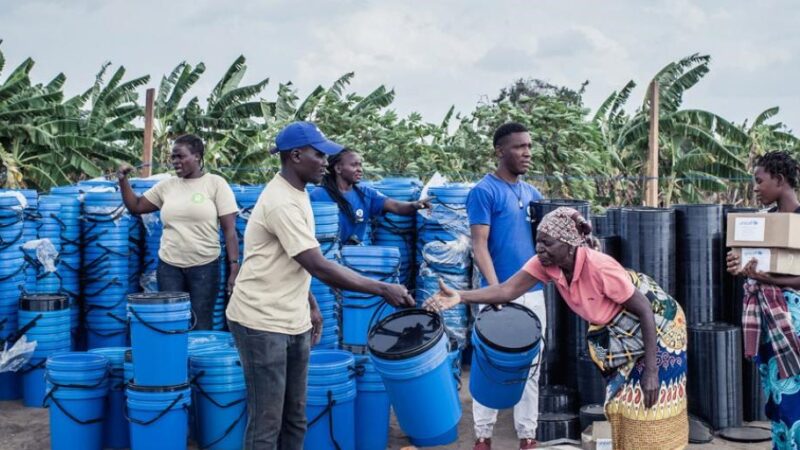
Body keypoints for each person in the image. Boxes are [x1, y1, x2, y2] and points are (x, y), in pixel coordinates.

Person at [426, 207, 689, 450]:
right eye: (538, 241)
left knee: (649, 404)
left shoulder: (599, 267)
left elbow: (644, 309)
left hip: (659, 326)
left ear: (570, 245)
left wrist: (652, 370)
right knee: (621, 405)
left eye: (547, 242)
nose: (540, 248)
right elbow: (506, 290)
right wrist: (460, 296)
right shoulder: (547, 265)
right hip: (619, 333)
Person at [225, 121, 415, 450]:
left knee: (295, 415)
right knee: (267, 421)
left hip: (291, 317)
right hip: (260, 321)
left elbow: (294, 260)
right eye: (319, 154)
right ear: (296, 156)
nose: (326, 161)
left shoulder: (298, 195)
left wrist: (310, 304)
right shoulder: (281, 202)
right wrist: (384, 289)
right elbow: (317, 264)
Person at [464, 121, 545, 450]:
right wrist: (496, 291)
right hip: (496, 295)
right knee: (490, 366)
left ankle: (528, 437)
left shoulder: (533, 194)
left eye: (529, 146)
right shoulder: (484, 192)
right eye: (519, 146)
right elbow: (479, 245)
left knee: (532, 369)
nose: (527, 152)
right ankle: (483, 437)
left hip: (534, 294)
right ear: (500, 151)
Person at [118, 134, 239, 331]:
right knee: (171, 322)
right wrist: (123, 181)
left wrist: (234, 268)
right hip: (170, 266)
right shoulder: (168, 186)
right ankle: (175, 361)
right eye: (173, 157)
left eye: (180, 156)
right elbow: (137, 206)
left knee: (201, 323)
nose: (175, 162)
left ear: (197, 156)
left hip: (205, 266)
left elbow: (229, 230)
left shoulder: (215, 184)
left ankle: (196, 361)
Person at [726, 150, 800, 448]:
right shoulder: (761, 222)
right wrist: (737, 266)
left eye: (759, 181)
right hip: (766, 320)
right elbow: (749, 264)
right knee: (776, 396)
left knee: (794, 393)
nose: (755, 188)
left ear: (780, 180)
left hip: (792, 321)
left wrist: (763, 277)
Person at [309, 147, 431, 245]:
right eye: (354, 165)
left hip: (355, 259)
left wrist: (415, 205)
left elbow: (396, 206)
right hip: (328, 259)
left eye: (360, 165)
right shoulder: (318, 196)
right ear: (338, 168)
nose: (360, 169)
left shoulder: (365, 194)